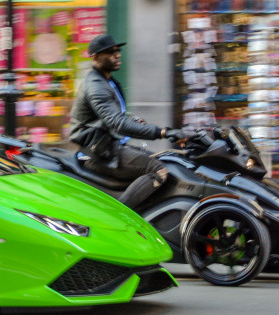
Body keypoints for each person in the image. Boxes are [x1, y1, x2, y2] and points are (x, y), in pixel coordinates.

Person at [67, 34, 188, 212]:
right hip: (98, 153)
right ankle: (120, 217)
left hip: (108, 145)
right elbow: (117, 123)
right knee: (158, 170)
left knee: (164, 158)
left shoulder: (107, 81)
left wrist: (133, 122)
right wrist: (163, 132)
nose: (117, 55)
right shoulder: (96, 86)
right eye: (110, 52)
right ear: (95, 57)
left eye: (117, 51)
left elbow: (115, 117)